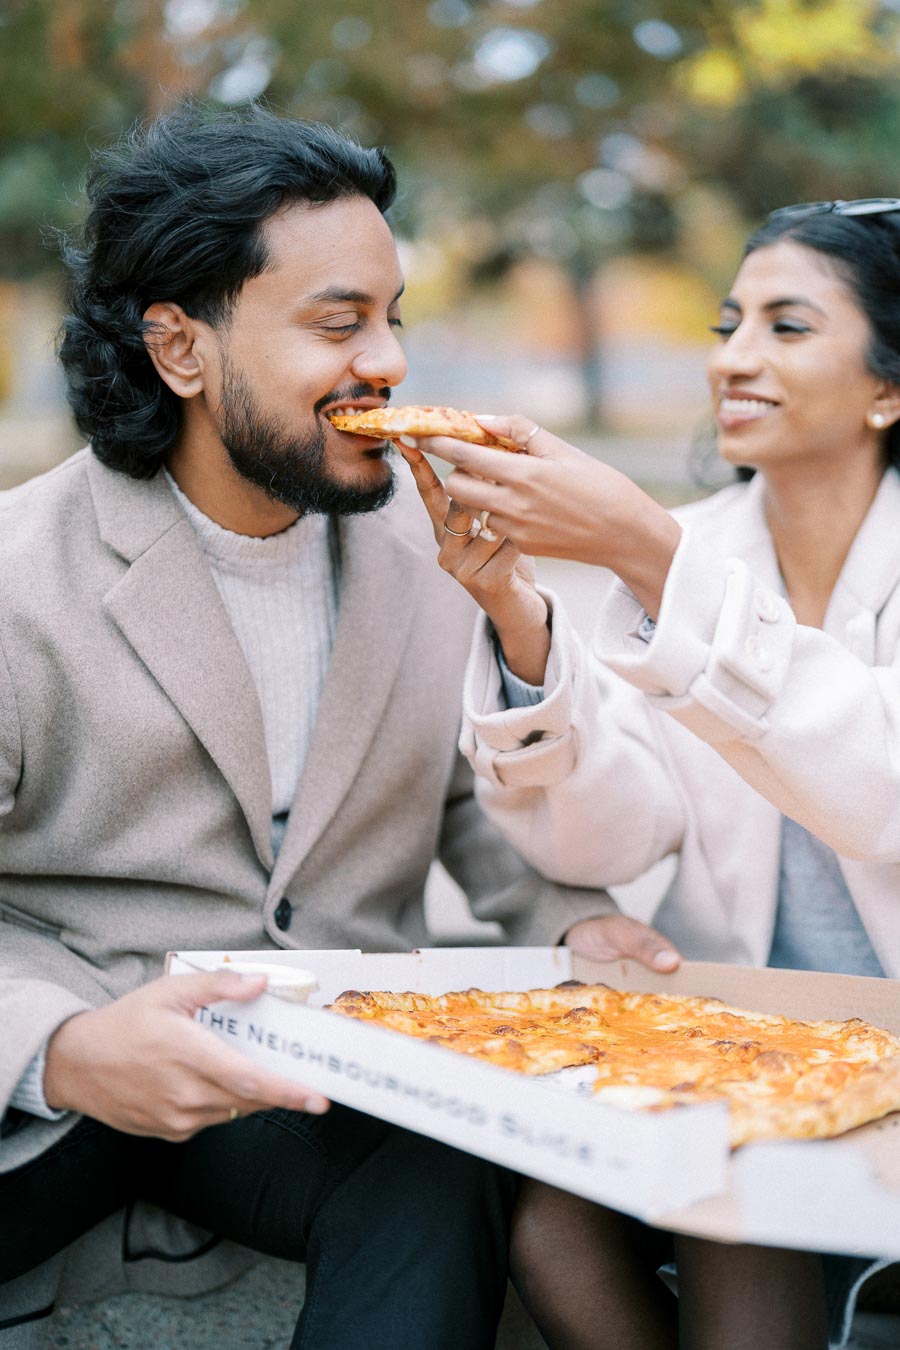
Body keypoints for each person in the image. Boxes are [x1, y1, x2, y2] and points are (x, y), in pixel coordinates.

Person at [0, 102, 616, 1349]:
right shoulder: (18, 573)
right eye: (340, 324)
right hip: (66, 1065)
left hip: (321, 1078)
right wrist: (55, 1048)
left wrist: (569, 918)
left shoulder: (432, 552)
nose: (386, 361)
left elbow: (453, 807)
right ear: (180, 347)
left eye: (393, 318)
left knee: (437, 1176)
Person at [398, 198, 900, 1348]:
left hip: (856, 1078)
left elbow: (879, 792)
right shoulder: (697, 552)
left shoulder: (668, 557)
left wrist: (638, 546)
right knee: (547, 1210)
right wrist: (522, 623)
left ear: (888, 385)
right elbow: (603, 847)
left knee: (731, 1172)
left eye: (786, 327)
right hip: (737, 1047)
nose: (731, 357)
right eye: (728, 322)